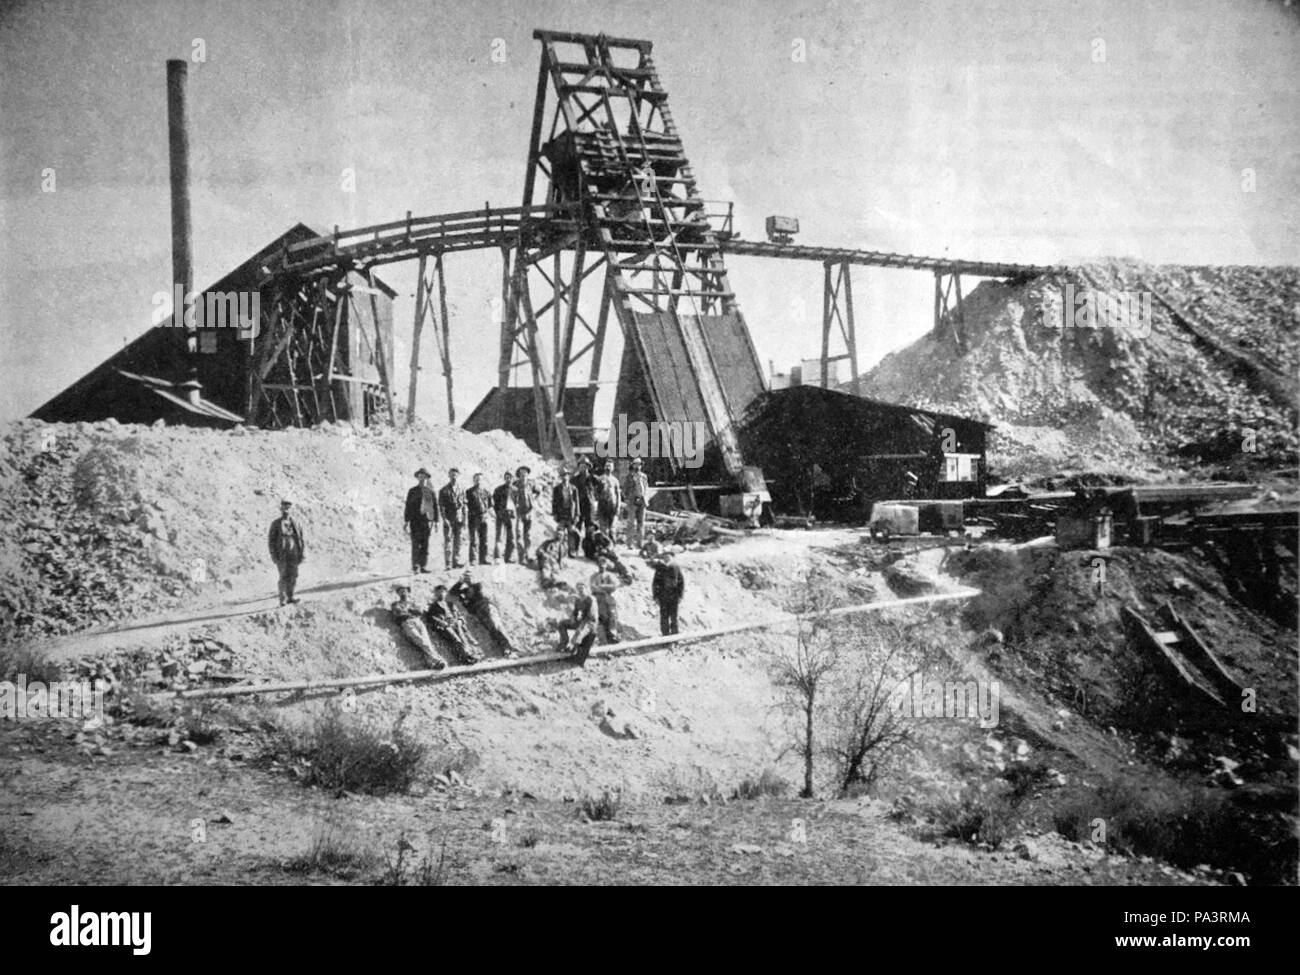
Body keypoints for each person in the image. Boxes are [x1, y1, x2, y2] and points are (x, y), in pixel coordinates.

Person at [450, 571, 518, 657]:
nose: (469, 580)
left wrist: (468, 587)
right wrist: (459, 583)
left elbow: (477, 589)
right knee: (491, 630)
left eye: (470, 577)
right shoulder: (466, 590)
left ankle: (510, 647)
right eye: (467, 578)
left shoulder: (478, 586)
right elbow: (452, 593)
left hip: (487, 608)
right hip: (479, 612)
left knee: (496, 626)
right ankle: (505, 649)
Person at [390, 584, 445, 669]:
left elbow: (420, 611)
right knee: (420, 640)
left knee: (426, 642)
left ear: (408, 592)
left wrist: (407, 610)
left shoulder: (413, 602)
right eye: (401, 591)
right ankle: (437, 660)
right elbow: (399, 614)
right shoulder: (395, 604)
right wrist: (410, 611)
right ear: (398, 594)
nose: (403, 593)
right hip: (407, 623)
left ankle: (430, 663)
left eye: (405, 591)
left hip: (418, 622)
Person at [425, 583, 480, 664]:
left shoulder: (450, 604)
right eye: (439, 592)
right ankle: (465, 657)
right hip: (445, 626)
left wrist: (459, 621)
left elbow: (459, 615)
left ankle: (469, 654)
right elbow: (432, 618)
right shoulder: (433, 606)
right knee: (455, 639)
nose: (441, 594)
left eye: (443, 592)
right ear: (436, 594)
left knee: (462, 638)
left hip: (455, 623)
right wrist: (443, 623)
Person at [267, 499, 305, 606]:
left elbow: (300, 539)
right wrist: (274, 555)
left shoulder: (296, 523)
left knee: (293, 575)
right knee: (283, 576)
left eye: (288, 508)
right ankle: (282, 599)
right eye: (284, 508)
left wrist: (301, 554)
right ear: (281, 509)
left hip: (294, 553)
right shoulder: (275, 524)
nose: (286, 511)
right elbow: (271, 541)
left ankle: (290, 597)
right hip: (282, 554)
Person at [403, 468, 438, 574]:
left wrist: (436, 521)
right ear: (417, 478)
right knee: (415, 544)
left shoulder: (430, 491)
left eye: (424, 476)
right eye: (420, 476)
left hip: (426, 522)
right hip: (415, 521)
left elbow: (435, 506)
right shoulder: (412, 491)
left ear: (427, 478)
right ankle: (415, 566)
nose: (422, 478)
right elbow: (408, 506)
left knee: (425, 544)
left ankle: (423, 566)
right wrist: (406, 521)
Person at [555, 581, 598, 665]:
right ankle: (564, 643)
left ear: (586, 589)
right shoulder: (578, 600)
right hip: (581, 621)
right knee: (562, 623)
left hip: (590, 624)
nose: (580, 591)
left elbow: (590, 617)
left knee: (579, 632)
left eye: (582, 589)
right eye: (578, 589)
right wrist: (572, 618)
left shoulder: (591, 600)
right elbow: (575, 613)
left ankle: (572, 648)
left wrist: (579, 627)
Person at [438, 468, 467, 569]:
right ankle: (448, 563)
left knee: (458, 541)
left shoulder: (462, 489)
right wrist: (444, 519)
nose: (454, 477)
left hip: (458, 518)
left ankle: (456, 561)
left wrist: (464, 519)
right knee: (448, 541)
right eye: (452, 475)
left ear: (458, 476)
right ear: (449, 476)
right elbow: (441, 507)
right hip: (448, 518)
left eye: (455, 475)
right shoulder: (443, 490)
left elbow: (464, 506)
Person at [652, 550, 685, 636]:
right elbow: (655, 582)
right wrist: (655, 596)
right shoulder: (660, 567)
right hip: (663, 596)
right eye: (664, 556)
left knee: (674, 617)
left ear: (672, 557)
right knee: (664, 617)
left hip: (674, 596)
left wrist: (680, 596)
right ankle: (665, 636)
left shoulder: (676, 566)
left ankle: (675, 636)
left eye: (668, 556)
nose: (666, 558)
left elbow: (681, 582)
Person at [589, 558, 622, 643]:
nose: (602, 567)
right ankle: (601, 638)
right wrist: (604, 588)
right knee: (600, 618)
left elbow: (614, 586)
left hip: (608, 598)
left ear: (606, 566)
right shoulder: (594, 576)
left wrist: (602, 586)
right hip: (598, 599)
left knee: (612, 617)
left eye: (603, 566)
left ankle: (613, 636)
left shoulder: (609, 575)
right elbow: (593, 587)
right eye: (600, 565)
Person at [511, 465, 540, 562]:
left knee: (528, 535)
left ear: (527, 474)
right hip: (519, 512)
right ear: (519, 475)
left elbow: (539, 491)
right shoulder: (515, 484)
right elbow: (511, 497)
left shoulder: (531, 484)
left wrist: (534, 500)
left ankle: (527, 554)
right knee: (519, 533)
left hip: (529, 511)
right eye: (521, 473)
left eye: (525, 473)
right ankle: (521, 556)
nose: (523, 475)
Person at [551, 466, 581, 557]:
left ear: (569, 476)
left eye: (566, 475)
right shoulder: (557, 489)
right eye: (563, 476)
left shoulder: (574, 489)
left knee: (571, 532)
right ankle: (560, 551)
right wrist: (555, 513)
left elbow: (577, 502)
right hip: (561, 513)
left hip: (570, 513)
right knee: (560, 532)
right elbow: (554, 502)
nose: (565, 477)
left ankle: (572, 551)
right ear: (560, 477)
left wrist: (577, 515)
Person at [465, 472, 492, 566]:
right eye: (476, 479)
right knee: (473, 539)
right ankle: (473, 559)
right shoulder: (469, 492)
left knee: (484, 539)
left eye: (480, 479)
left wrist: (487, 514)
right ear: (473, 480)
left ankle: (483, 559)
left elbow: (490, 505)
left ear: (483, 480)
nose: (478, 481)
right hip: (473, 517)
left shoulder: (486, 492)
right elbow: (465, 505)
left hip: (484, 517)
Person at [623, 457, 650, 550]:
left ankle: (640, 543)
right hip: (632, 502)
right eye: (635, 464)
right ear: (633, 465)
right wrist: (627, 499)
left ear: (641, 466)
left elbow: (646, 488)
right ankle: (629, 544)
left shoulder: (644, 476)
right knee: (631, 523)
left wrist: (645, 498)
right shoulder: (629, 476)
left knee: (641, 523)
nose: (637, 466)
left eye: (639, 464)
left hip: (642, 501)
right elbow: (625, 490)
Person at [492, 470, 516, 563]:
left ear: (513, 478)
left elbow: (517, 502)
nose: (508, 479)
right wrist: (498, 512)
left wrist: (514, 512)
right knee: (499, 536)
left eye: (510, 477)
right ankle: (497, 556)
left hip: (511, 515)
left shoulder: (515, 490)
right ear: (504, 478)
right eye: (506, 477)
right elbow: (495, 502)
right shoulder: (498, 489)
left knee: (511, 537)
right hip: (501, 515)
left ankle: (508, 557)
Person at [572, 456, 599, 537]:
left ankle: (589, 548)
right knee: (577, 527)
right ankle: (575, 548)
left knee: (590, 527)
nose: (583, 468)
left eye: (585, 466)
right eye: (581, 466)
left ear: (588, 467)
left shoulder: (593, 478)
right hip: (579, 505)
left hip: (589, 506)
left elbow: (600, 487)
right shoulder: (574, 479)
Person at [596, 460, 622, 538]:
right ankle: (604, 546)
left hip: (612, 506)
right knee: (603, 528)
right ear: (604, 467)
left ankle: (612, 546)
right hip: (602, 506)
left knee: (612, 529)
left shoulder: (615, 480)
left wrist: (618, 507)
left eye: (610, 466)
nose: (608, 467)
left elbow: (618, 495)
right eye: (606, 466)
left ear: (613, 468)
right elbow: (596, 493)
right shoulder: (599, 479)